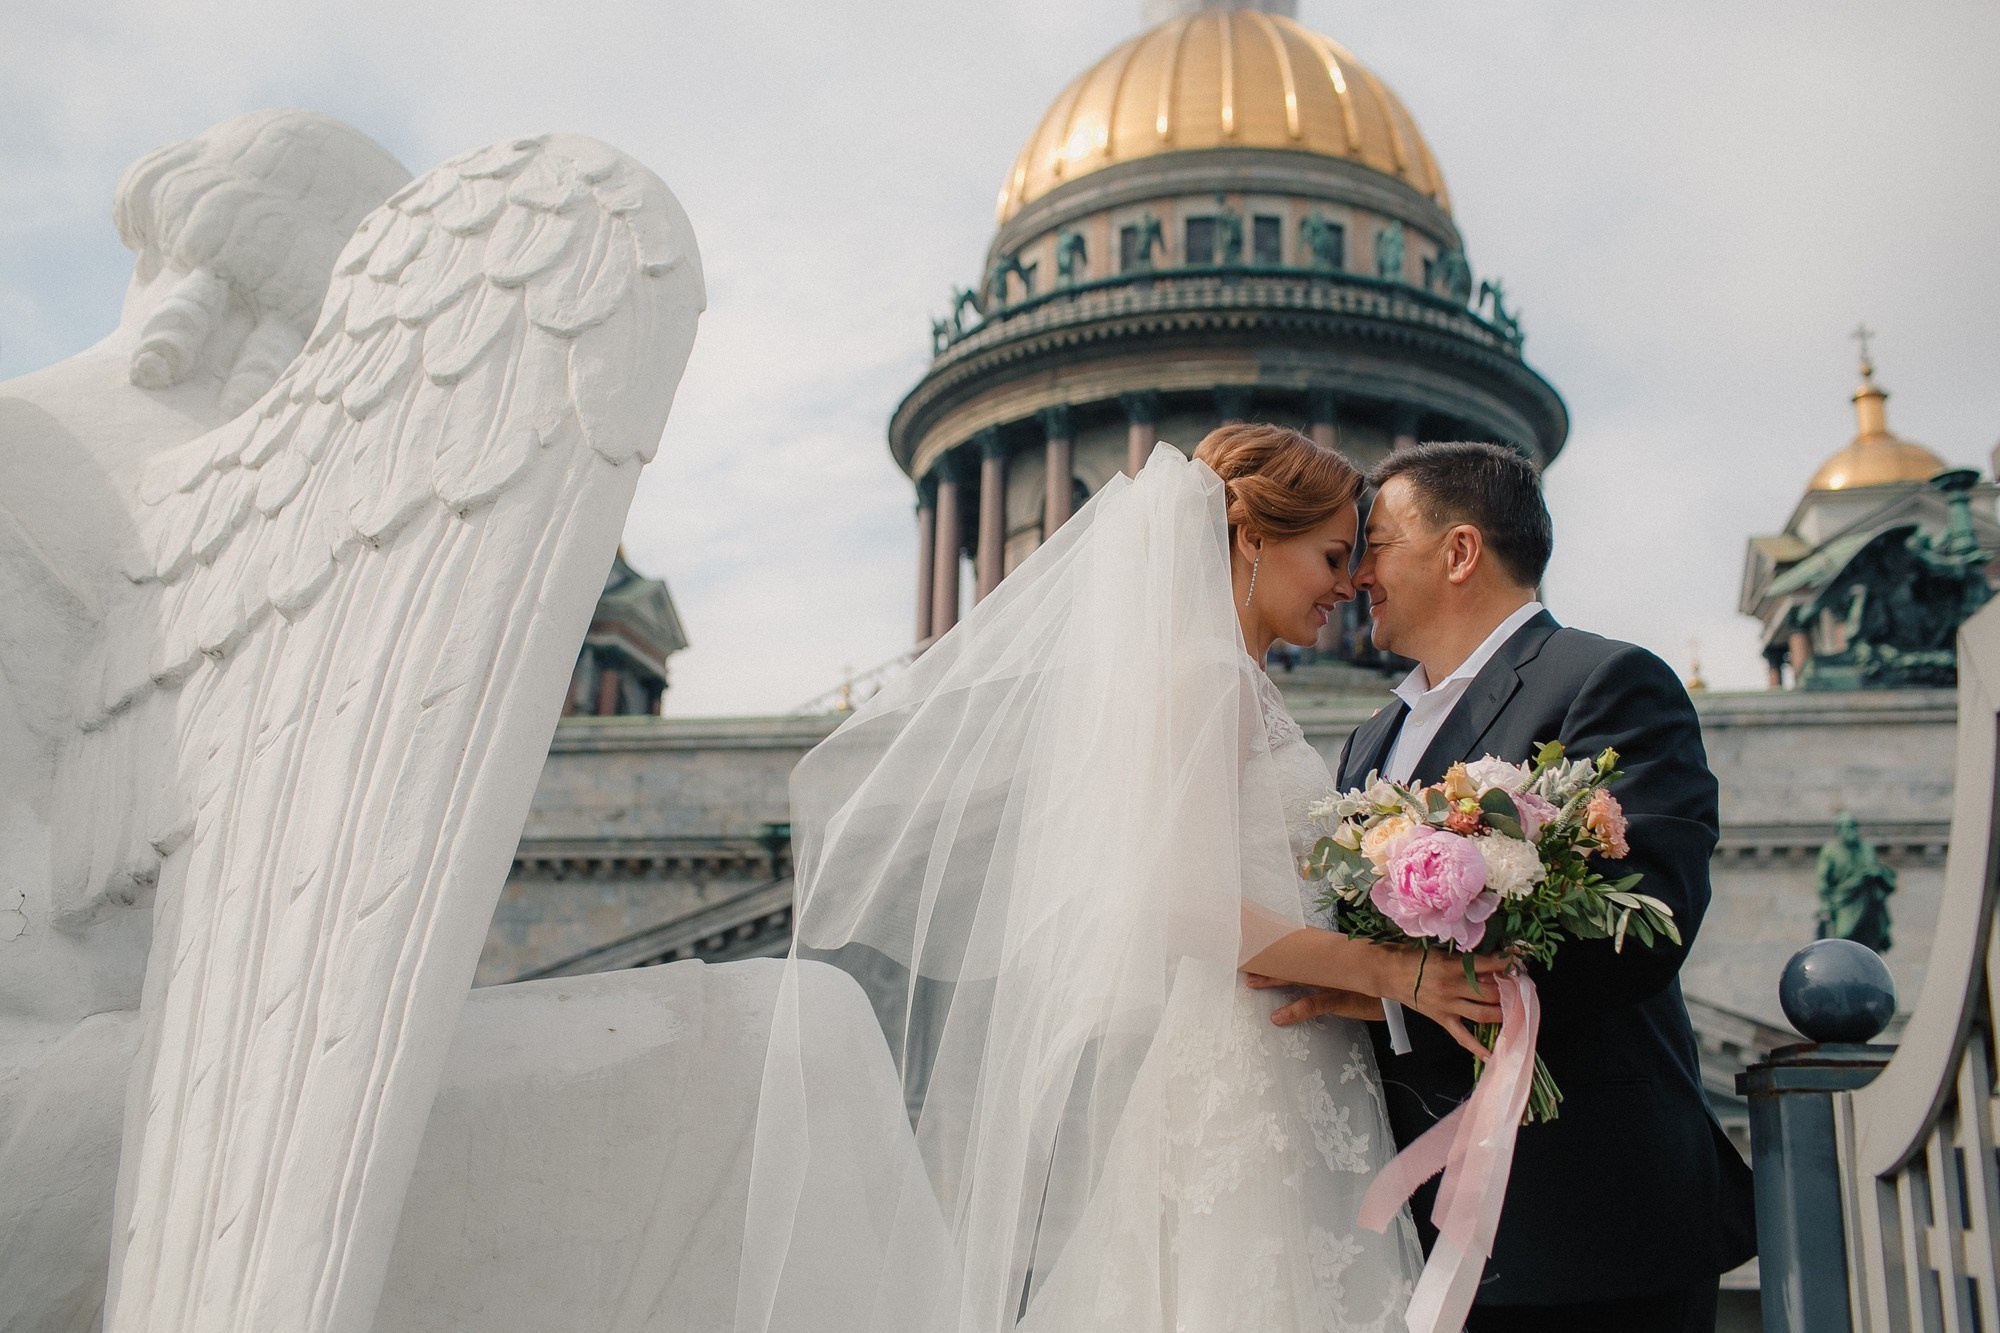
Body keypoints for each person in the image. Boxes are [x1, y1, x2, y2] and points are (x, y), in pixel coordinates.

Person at [736, 426, 1504, 1332]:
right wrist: (1380, 970)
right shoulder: (1210, 676)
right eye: (1334, 556)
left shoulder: (1238, 683)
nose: (1348, 584)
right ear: (1252, 536)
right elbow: (1175, 899)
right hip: (1248, 1066)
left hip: (1287, 1062)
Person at [1281, 440, 1754, 1332]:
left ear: (1460, 552)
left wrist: (1382, 991)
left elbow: (1641, 927)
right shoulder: (1370, 737)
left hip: (1583, 1222)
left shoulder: (1607, 682)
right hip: (1407, 1234)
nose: (1358, 576)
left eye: (1376, 545)